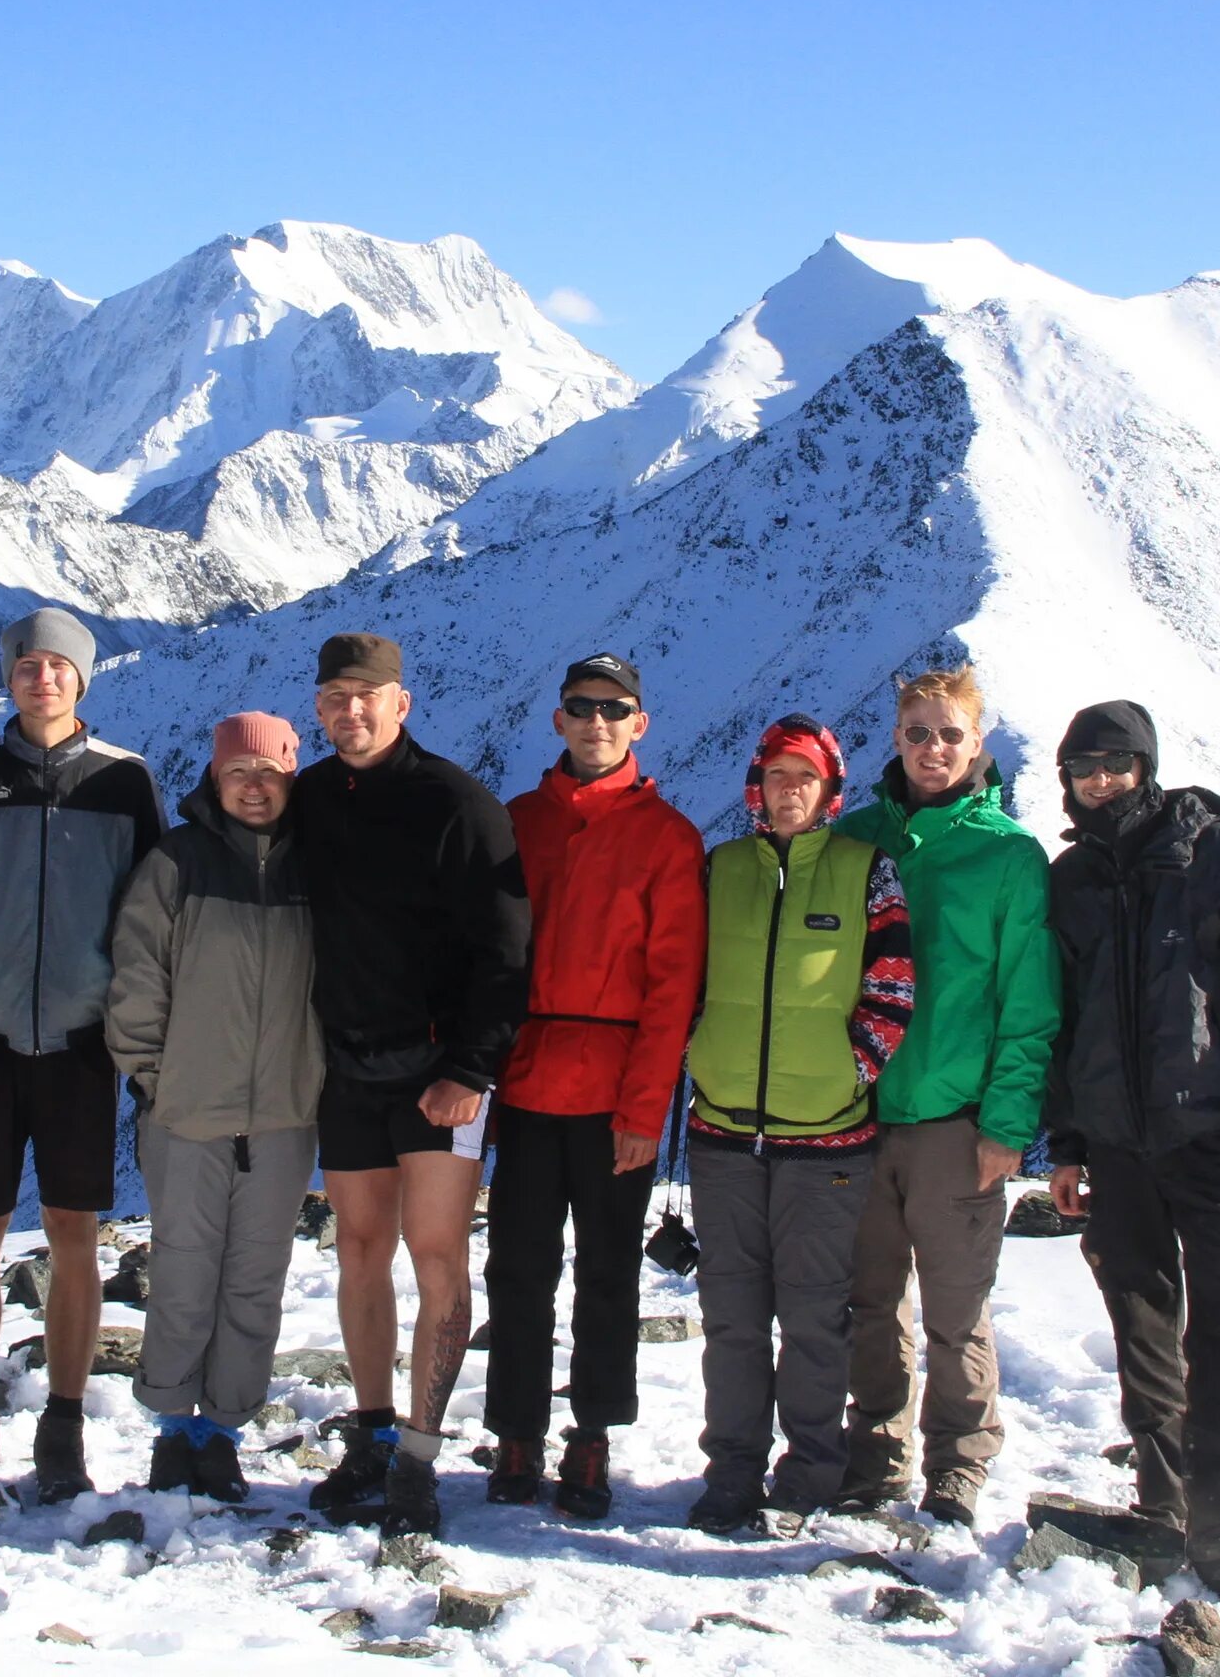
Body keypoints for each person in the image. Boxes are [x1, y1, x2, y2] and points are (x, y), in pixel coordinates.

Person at [1043, 700, 1220, 1621]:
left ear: (1146, 767)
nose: (1101, 780)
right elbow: (1063, 1020)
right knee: (1142, 1327)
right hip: (1116, 1147)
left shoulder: (1210, 854)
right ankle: (1162, 1503)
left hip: (1211, 1138)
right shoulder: (1070, 878)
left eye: (1116, 763)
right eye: (1084, 767)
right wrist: (1068, 1143)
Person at [0, 608, 165, 1501]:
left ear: (83, 680)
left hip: (81, 1046)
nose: (43, 679)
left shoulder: (124, 785)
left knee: (73, 1235)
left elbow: (149, 916)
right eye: (28, 666)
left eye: (59, 667)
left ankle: (64, 1423)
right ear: (9, 678)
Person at [290, 632, 532, 1537]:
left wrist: (473, 1069)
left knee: (435, 1257)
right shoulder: (312, 798)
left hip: (439, 1077)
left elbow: (506, 949)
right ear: (319, 709)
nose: (350, 712)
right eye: (334, 697)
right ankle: (375, 1434)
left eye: (367, 695)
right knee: (359, 1251)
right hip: (348, 1067)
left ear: (402, 701)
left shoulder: (457, 804)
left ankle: (421, 1461)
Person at [831, 666, 1062, 1524]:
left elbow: (1028, 1003)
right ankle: (874, 1455)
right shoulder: (855, 841)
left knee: (956, 1309)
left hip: (954, 1124)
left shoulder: (1008, 855)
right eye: (918, 732)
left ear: (979, 744)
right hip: (854, 1115)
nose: (933, 748)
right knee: (869, 1300)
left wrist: (1006, 1123)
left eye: (950, 734)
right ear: (895, 739)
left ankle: (958, 1465)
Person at [481, 654, 704, 1520]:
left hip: (616, 1098)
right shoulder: (518, 823)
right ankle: (516, 1431)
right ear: (559, 718)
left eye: (614, 710)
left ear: (639, 724)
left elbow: (672, 988)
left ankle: (592, 1436)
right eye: (582, 707)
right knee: (519, 1270)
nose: (597, 722)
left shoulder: (667, 838)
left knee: (608, 1275)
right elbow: (488, 959)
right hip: (530, 1086)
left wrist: (647, 1109)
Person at [680, 716, 915, 1537]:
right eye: (777, 775)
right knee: (734, 1320)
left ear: (828, 790)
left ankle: (810, 1471)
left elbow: (893, 985)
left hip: (829, 1140)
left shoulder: (864, 871)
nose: (789, 790)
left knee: (816, 1319)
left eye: (804, 777)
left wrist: (852, 1069)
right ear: (757, 784)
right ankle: (732, 1473)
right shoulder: (721, 868)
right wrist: (698, 1051)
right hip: (723, 1133)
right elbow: (680, 975)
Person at [104, 712, 323, 1503]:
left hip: (285, 1114)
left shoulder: (316, 863)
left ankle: (223, 1428)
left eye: (269, 773)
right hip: (187, 1112)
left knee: (256, 1277)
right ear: (215, 778)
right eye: (239, 773)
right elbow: (136, 975)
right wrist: (154, 1078)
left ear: (291, 778)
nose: (254, 787)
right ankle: (172, 1427)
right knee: (186, 1270)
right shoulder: (177, 862)